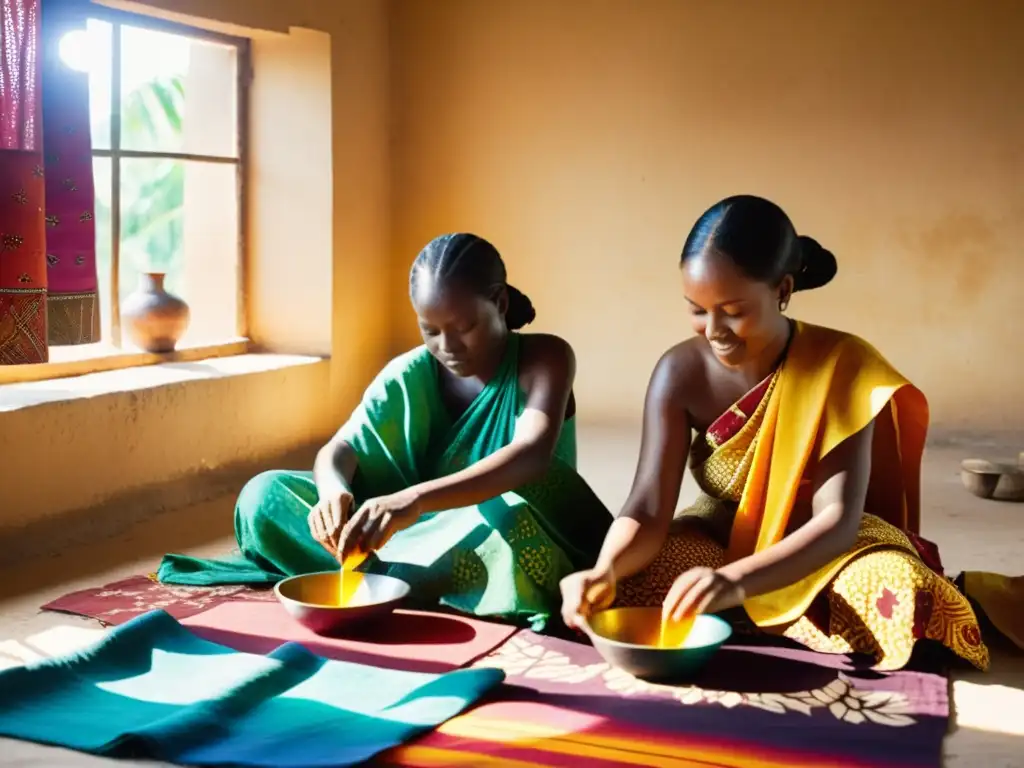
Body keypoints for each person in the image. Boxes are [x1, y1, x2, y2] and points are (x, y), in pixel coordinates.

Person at [560, 195, 1022, 670]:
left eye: (734, 310)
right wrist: (605, 570)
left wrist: (736, 582)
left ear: (782, 290)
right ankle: (769, 614)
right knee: (628, 590)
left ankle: (747, 609)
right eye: (697, 310)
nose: (714, 330)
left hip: (824, 549)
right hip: (725, 531)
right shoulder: (678, 373)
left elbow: (836, 521)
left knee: (907, 596)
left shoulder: (841, 364)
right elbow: (648, 507)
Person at [160, 233, 612, 631]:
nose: (447, 347)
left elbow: (530, 456)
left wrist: (410, 501)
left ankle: (388, 576)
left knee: (509, 526)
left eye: (465, 327)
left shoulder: (545, 357)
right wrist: (332, 492)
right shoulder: (412, 372)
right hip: (415, 531)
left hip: (502, 516)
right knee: (263, 496)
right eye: (430, 330)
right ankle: (419, 580)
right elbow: (338, 450)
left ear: (500, 303)